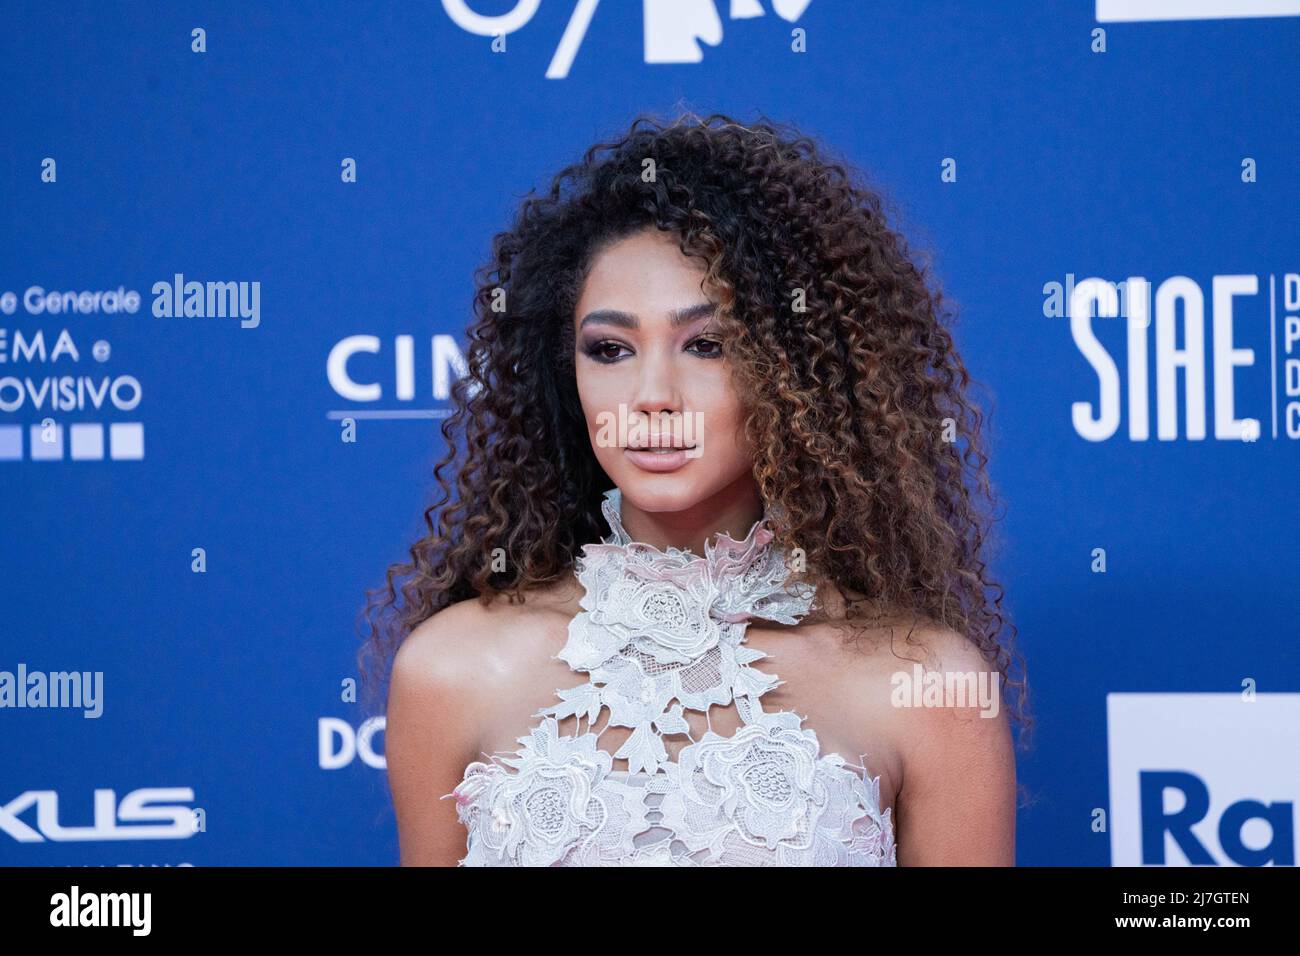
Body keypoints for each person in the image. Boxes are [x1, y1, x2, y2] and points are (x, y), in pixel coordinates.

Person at [361, 112, 1028, 866]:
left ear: (798, 371)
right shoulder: (449, 670)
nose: (652, 396)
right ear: (565, 375)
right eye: (610, 349)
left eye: (707, 345)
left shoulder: (927, 685)